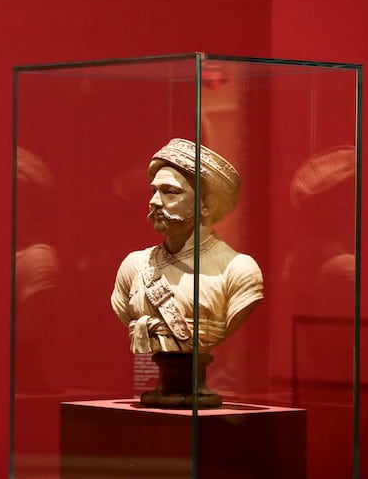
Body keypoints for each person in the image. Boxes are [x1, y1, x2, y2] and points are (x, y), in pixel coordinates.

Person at [110, 138, 263, 355]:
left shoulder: (238, 270)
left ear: (207, 205)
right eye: (154, 191)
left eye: (170, 192)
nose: (154, 201)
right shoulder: (133, 267)